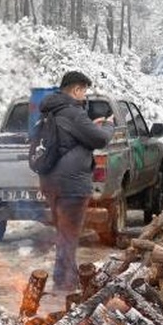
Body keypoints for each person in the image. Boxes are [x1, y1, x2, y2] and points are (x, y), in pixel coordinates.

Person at [36, 71, 112, 292]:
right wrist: (107, 125)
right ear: (76, 89)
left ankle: (63, 277)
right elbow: (100, 139)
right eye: (84, 91)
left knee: (64, 232)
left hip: (51, 182)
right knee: (69, 234)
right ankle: (67, 283)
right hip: (72, 185)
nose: (84, 96)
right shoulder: (73, 112)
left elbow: (74, 135)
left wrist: (91, 124)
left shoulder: (49, 111)